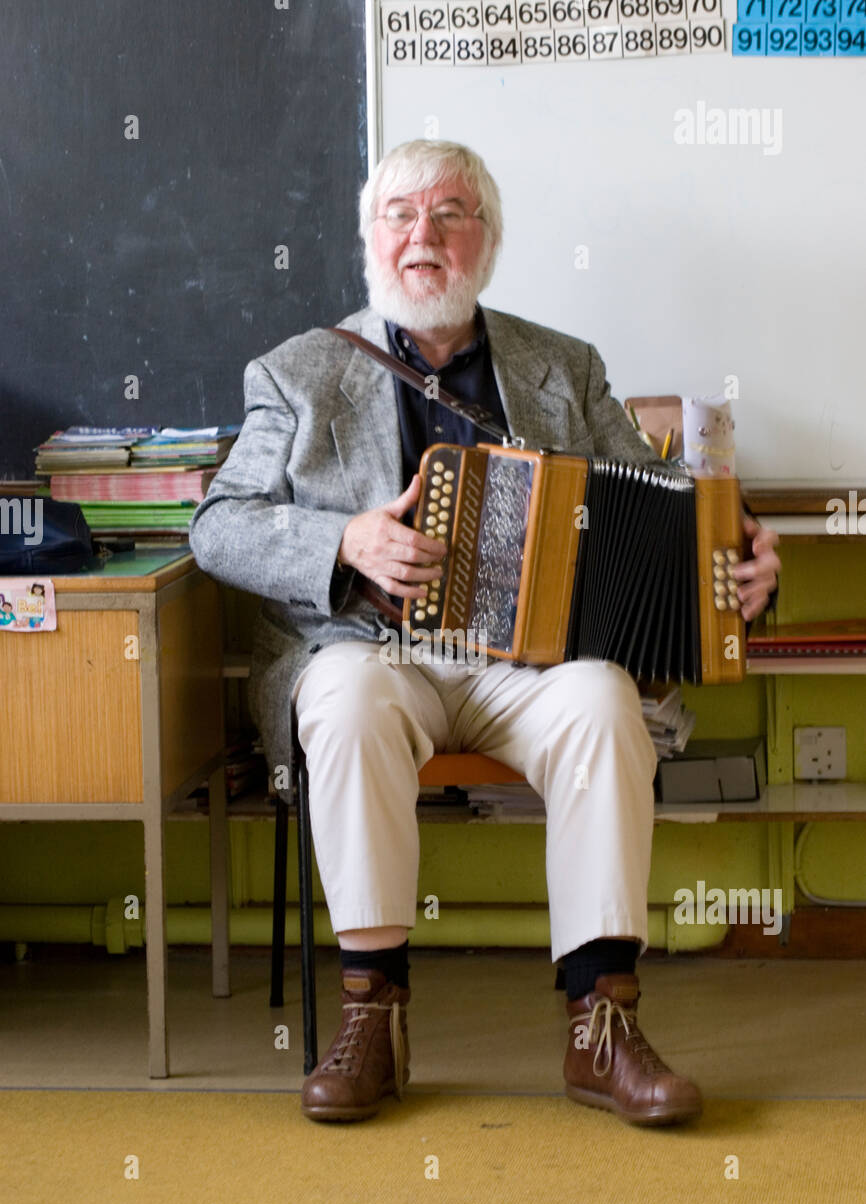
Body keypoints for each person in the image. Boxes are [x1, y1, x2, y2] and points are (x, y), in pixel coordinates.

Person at [188, 140, 780, 1128]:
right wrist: (347, 537)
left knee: (598, 700)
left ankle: (601, 1024)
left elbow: (660, 497)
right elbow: (218, 527)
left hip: (530, 663)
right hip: (371, 650)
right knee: (342, 697)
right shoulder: (297, 374)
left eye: (450, 213)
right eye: (401, 214)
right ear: (370, 237)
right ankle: (371, 1012)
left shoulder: (562, 365)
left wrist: (736, 549)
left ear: (487, 242)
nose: (424, 234)